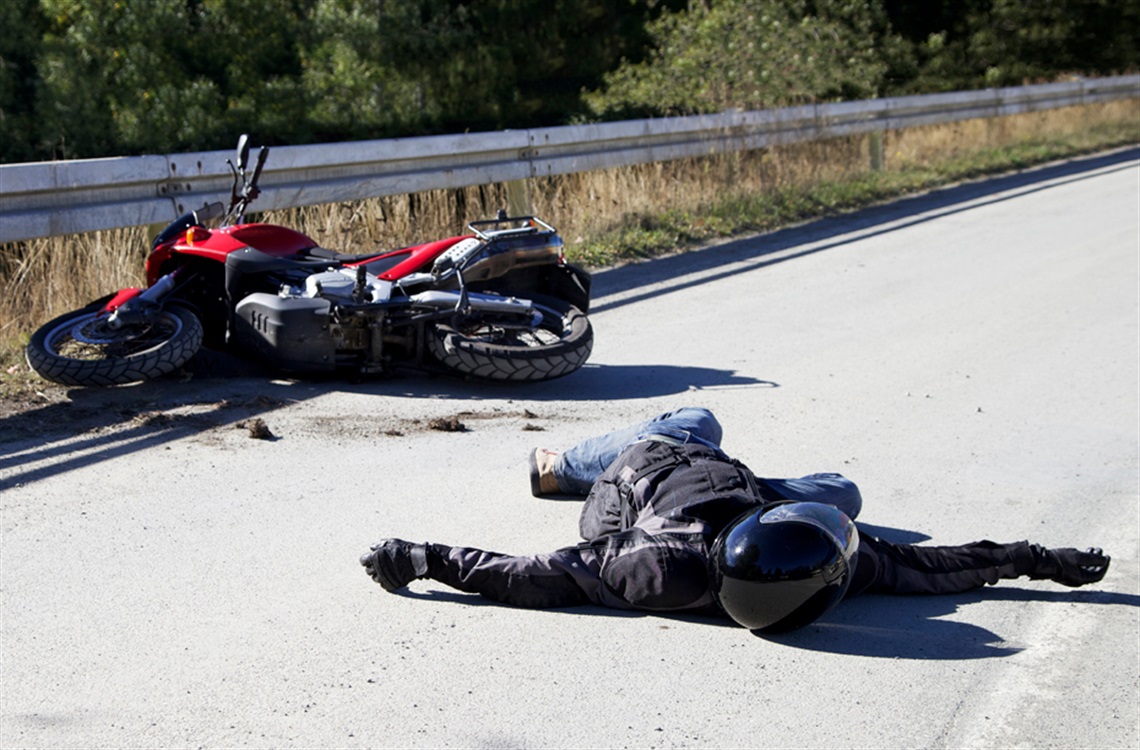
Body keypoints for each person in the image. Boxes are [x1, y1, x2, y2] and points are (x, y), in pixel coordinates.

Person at [360, 407, 1110, 633]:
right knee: (844, 494)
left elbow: (534, 575)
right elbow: (936, 567)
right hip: (684, 470)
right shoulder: (820, 565)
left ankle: (564, 464)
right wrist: (1035, 557)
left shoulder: (650, 569)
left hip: (648, 473)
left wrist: (423, 557)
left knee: (698, 420)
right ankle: (577, 460)